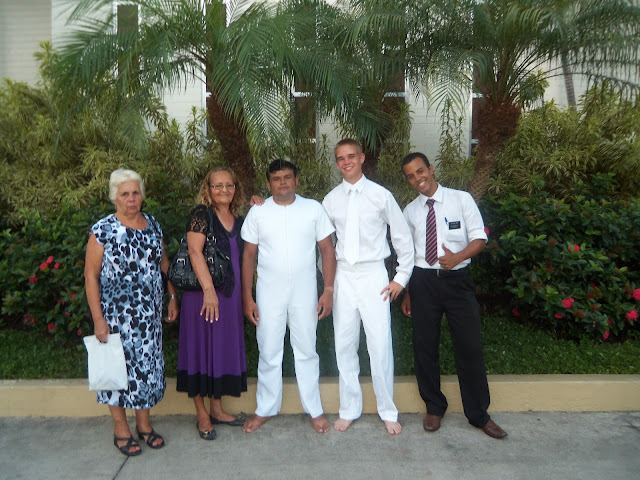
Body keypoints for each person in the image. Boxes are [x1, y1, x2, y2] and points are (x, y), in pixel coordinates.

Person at [400, 152, 507, 439]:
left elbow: (480, 238)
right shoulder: (410, 212)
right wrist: (408, 292)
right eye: (410, 176)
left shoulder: (461, 200)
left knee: (469, 347)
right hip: (423, 283)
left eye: (420, 171)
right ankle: (434, 406)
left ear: (431, 168)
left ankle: (479, 414)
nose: (417, 178)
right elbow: (408, 254)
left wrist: (457, 257)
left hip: (457, 282)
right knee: (425, 347)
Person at [322, 139, 414, 435]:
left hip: (374, 275)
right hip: (344, 276)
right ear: (337, 163)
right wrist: (327, 282)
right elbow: (323, 245)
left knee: (379, 344)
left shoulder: (380, 195)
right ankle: (349, 408)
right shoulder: (331, 200)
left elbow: (402, 237)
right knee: (344, 343)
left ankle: (387, 410)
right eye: (340, 158)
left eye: (351, 156)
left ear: (362, 158)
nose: (346, 162)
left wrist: (400, 277)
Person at [85, 169, 178, 457]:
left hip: (148, 319)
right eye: (125, 194)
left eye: (135, 193)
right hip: (116, 320)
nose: (131, 198)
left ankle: (144, 425)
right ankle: (120, 428)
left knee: (146, 372)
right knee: (116, 372)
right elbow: (91, 276)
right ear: (115, 197)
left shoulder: (153, 225)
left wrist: (172, 296)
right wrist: (98, 320)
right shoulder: (103, 230)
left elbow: (164, 264)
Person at [241, 159, 336, 434]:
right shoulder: (258, 212)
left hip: (304, 292)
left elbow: (327, 250)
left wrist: (328, 290)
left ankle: (314, 408)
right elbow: (248, 256)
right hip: (268, 293)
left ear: (296, 180)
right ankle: (265, 408)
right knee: (269, 350)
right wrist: (247, 297)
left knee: (306, 350)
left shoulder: (313, 208)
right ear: (268, 183)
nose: (282, 182)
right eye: (276, 178)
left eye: (287, 177)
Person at [176, 167, 248, 441]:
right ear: (208, 189)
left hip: (228, 297)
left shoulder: (238, 219)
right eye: (217, 186)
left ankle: (217, 409)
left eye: (229, 185)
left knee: (219, 351)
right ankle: (202, 414)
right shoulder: (201, 214)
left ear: (235, 188)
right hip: (203, 297)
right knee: (199, 351)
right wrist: (208, 290)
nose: (223, 190)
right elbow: (195, 251)